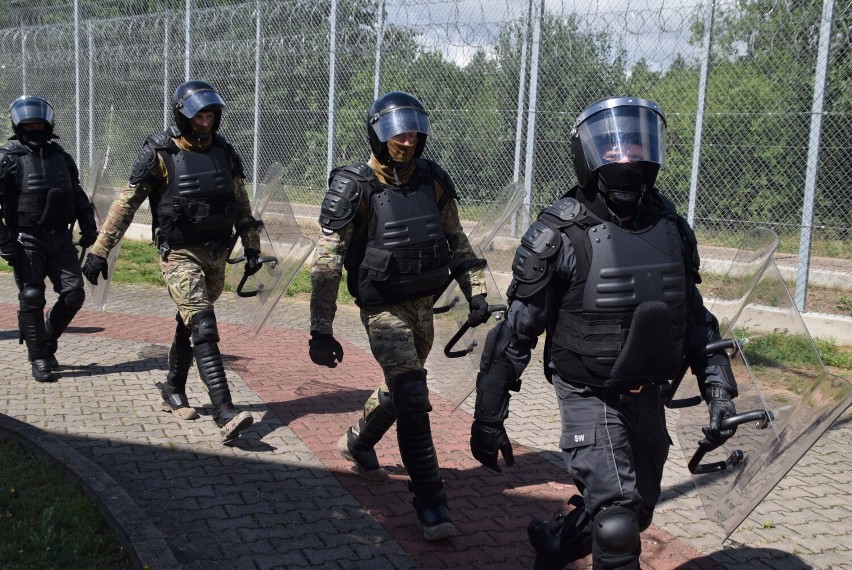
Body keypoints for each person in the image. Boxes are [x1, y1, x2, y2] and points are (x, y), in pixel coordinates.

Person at [469, 97, 739, 569]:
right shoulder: (560, 233)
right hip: (587, 392)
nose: (628, 159)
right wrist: (488, 416)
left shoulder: (670, 227)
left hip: (648, 393)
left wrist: (718, 388)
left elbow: (695, 319)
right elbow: (516, 331)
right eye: (614, 149)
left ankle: (555, 544)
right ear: (590, 155)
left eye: (636, 146)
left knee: (635, 514)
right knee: (616, 524)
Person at [309, 91, 491, 540]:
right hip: (382, 307)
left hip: (424, 304)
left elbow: (456, 239)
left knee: (401, 384)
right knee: (412, 394)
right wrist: (320, 328)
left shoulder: (432, 179)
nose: (405, 141)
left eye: (413, 132)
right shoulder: (355, 186)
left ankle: (358, 440)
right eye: (396, 133)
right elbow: (327, 263)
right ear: (377, 133)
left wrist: (478, 291)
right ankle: (431, 503)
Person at [82, 80, 260, 443]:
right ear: (182, 116)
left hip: (216, 253)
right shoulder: (158, 153)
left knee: (189, 322)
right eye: (198, 116)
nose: (205, 122)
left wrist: (253, 246)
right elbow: (125, 203)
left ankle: (173, 388)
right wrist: (100, 250)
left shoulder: (224, 152)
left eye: (211, 116)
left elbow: (241, 203)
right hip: (178, 254)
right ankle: (225, 412)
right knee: (204, 326)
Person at [0, 95, 98, 382]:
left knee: (74, 294)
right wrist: (4, 241)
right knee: (32, 296)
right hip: (25, 238)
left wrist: (88, 224)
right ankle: (39, 357)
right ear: (19, 127)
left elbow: (77, 195)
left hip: (61, 239)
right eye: (28, 125)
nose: (34, 129)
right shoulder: (8, 159)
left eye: (39, 124)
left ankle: (46, 338)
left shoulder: (62, 158)